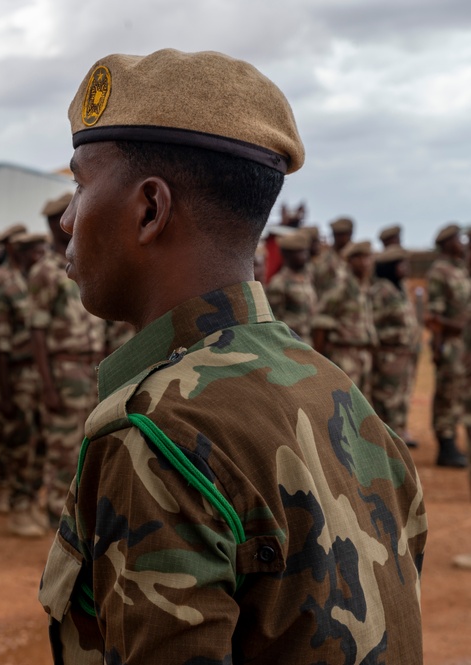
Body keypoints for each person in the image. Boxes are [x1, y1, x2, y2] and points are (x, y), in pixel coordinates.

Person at [39, 49, 426, 663]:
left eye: (81, 185)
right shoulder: (341, 397)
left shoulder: (158, 433)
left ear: (149, 209)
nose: (67, 219)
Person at [30, 192, 103, 527]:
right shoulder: (44, 270)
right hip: (63, 367)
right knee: (61, 445)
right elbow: (37, 331)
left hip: (91, 365)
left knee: (86, 443)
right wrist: (47, 384)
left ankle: (75, 513)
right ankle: (55, 515)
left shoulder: (87, 259)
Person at [0, 231, 49, 538]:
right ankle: (17, 505)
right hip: (16, 373)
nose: (39, 254)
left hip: (39, 371)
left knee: (39, 441)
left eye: (41, 249)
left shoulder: (38, 281)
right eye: (32, 250)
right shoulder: (4, 283)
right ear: (17, 251)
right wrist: (4, 390)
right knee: (20, 442)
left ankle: (30, 500)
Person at [425, 223, 471, 467]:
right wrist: (438, 349)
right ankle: (446, 444)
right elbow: (434, 318)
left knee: (461, 392)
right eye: (456, 239)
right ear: (446, 243)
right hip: (450, 345)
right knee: (447, 393)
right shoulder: (439, 272)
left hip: (464, 345)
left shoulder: (461, 268)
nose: (461, 242)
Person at [313, 241, 378, 399]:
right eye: (360, 259)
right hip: (344, 353)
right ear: (350, 261)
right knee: (346, 402)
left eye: (368, 258)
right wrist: (319, 359)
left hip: (363, 354)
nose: (365, 263)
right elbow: (320, 320)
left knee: (363, 405)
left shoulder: (364, 286)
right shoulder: (341, 287)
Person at [370, 246, 419, 447]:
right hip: (388, 356)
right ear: (390, 267)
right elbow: (372, 324)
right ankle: (386, 444)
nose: (406, 268)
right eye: (401, 264)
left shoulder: (400, 287)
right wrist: (396, 336)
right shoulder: (381, 291)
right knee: (386, 402)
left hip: (403, 355)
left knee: (401, 400)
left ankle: (398, 439)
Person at [265, 231, 317, 343]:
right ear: (287, 254)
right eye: (300, 252)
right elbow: (274, 321)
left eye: (305, 251)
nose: (305, 256)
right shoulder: (279, 283)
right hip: (289, 342)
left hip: (306, 341)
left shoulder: (307, 278)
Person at [311, 216, 352, 299]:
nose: (338, 238)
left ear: (350, 234)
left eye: (342, 234)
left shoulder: (357, 257)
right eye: (336, 234)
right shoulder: (323, 258)